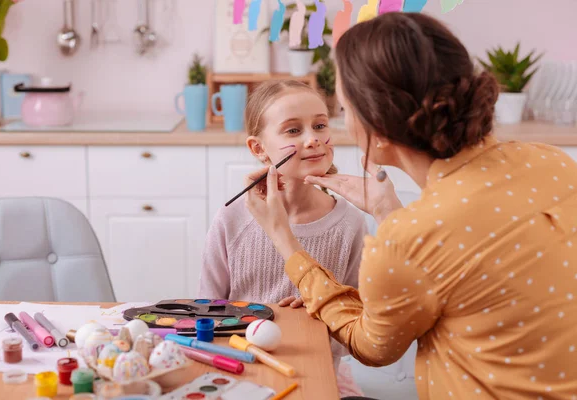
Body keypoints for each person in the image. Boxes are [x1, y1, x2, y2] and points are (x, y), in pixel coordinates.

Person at [244, 12, 577, 400]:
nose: (328, 132)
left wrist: (285, 240)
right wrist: (389, 212)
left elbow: (372, 347)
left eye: (341, 112)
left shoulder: (410, 237)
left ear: (379, 132)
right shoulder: (552, 162)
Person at [198, 80, 367, 397]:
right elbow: (207, 315)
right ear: (258, 148)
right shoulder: (231, 220)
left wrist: (324, 305)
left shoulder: (350, 224)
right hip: (241, 371)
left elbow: (358, 327)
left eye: (319, 125)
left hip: (320, 374)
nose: (313, 138)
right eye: (293, 131)